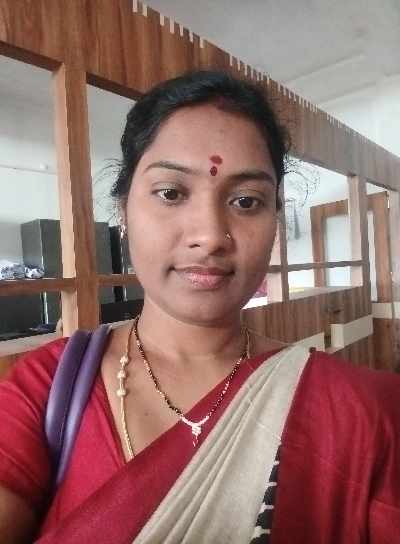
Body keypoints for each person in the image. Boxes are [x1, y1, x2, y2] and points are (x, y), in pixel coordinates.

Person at [0, 71, 399, 544]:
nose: (210, 236)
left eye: (246, 201)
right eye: (171, 193)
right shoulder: (48, 389)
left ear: (275, 219)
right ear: (123, 210)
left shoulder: (362, 412)